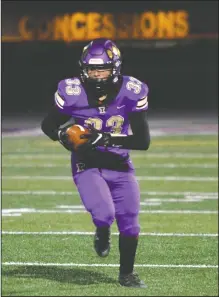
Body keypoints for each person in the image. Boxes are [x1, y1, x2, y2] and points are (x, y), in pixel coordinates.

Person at [41, 38, 150, 288]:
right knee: (103, 215)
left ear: (115, 68)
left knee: (131, 223)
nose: (97, 74)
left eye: (102, 69)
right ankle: (102, 231)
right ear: (83, 69)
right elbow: (48, 125)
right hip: (87, 164)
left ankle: (127, 275)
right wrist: (63, 136)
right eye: (92, 69)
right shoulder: (72, 91)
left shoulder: (132, 91)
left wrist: (107, 138)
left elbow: (143, 141)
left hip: (119, 164)